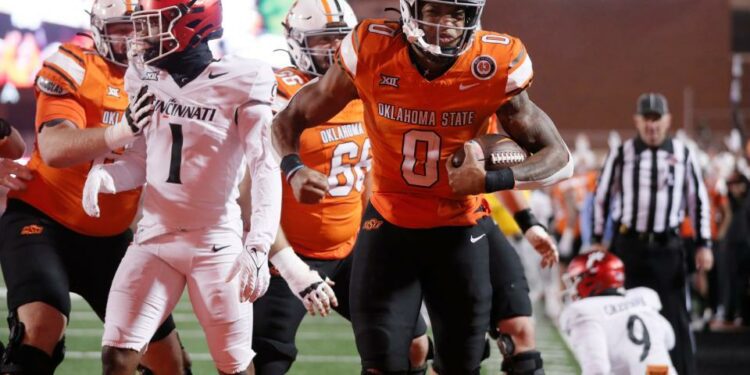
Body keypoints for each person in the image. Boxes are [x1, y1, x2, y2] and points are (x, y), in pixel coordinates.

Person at [272, 0, 573, 373]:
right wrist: (293, 167)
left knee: (461, 366)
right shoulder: (372, 49)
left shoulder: (493, 61)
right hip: (388, 228)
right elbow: (291, 118)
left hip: (460, 233)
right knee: (382, 363)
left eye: (457, 13)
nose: (447, 23)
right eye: (435, 11)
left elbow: (559, 156)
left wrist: (492, 180)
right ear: (411, 10)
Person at [82, 0, 281, 374]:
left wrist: (258, 243)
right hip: (155, 238)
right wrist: (106, 176)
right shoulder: (143, 77)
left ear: (189, 24)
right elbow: (140, 161)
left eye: (153, 24)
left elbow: (265, 167)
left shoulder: (244, 78)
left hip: (216, 242)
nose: (143, 35)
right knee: (118, 355)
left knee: (234, 366)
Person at [0, 1, 188, 373]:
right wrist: (122, 130)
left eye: (139, 26)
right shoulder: (74, 65)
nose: (132, 37)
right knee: (41, 328)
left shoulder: (168, 77)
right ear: (99, 28)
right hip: (44, 221)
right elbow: (54, 150)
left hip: (113, 236)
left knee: (171, 364)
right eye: (121, 28)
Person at [251, 1, 431, 374]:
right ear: (296, 41)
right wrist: (288, 264)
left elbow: (369, 175)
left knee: (414, 343)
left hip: (353, 249)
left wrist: (380, 237)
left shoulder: (365, 87)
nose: (331, 50)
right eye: (320, 40)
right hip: (287, 254)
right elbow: (249, 190)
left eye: (338, 40)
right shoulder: (275, 93)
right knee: (261, 363)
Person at [591, 92, 714, 375]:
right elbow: (601, 197)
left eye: (657, 119)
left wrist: (703, 243)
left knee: (674, 316)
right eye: (646, 119)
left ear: (667, 120)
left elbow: (698, 200)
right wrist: (598, 239)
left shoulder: (683, 153)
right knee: (624, 313)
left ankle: (679, 371)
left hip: (667, 247)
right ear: (637, 121)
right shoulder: (622, 153)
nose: (652, 126)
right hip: (628, 245)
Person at [560, 251, 676, 375]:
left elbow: (597, 369)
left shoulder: (584, 311)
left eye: (575, 280)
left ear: (589, 279)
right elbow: (670, 340)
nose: (572, 288)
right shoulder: (643, 298)